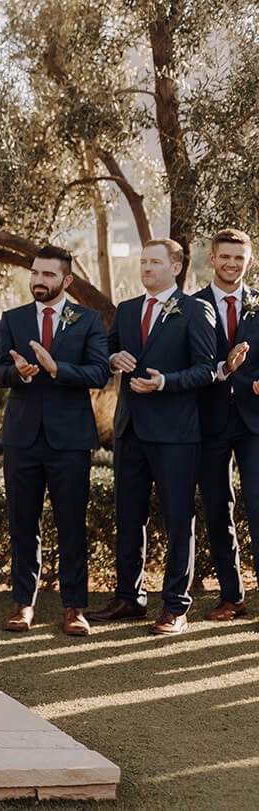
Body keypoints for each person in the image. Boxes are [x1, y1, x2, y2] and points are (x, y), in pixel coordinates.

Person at [87, 239, 218, 635]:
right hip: (129, 431)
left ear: (175, 267)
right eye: (143, 261)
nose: (146, 268)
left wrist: (165, 382)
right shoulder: (127, 310)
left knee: (179, 519)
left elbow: (206, 370)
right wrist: (113, 360)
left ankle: (176, 606)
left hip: (176, 433)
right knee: (129, 516)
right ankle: (129, 597)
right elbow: (106, 355)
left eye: (155, 262)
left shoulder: (196, 311)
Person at [0, 246, 109, 637]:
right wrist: (20, 373)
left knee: (71, 524)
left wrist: (58, 368)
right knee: (23, 522)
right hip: (22, 437)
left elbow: (98, 373)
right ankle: (23, 603)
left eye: (48, 275)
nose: (39, 280)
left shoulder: (89, 321)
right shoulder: (13, 319)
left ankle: (74, 607)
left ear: (67, 281)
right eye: (35, 273)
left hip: (71, 440)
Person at [192, 229, 254, 621]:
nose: (232, 263)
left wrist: (246, 381)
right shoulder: (191, 305)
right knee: (217, 508)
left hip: (255, 421)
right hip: (207, 421)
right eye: (225, 256)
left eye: (239, 257)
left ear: (250, 261)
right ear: (212, 258)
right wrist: (222, 371)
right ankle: (232, 596)